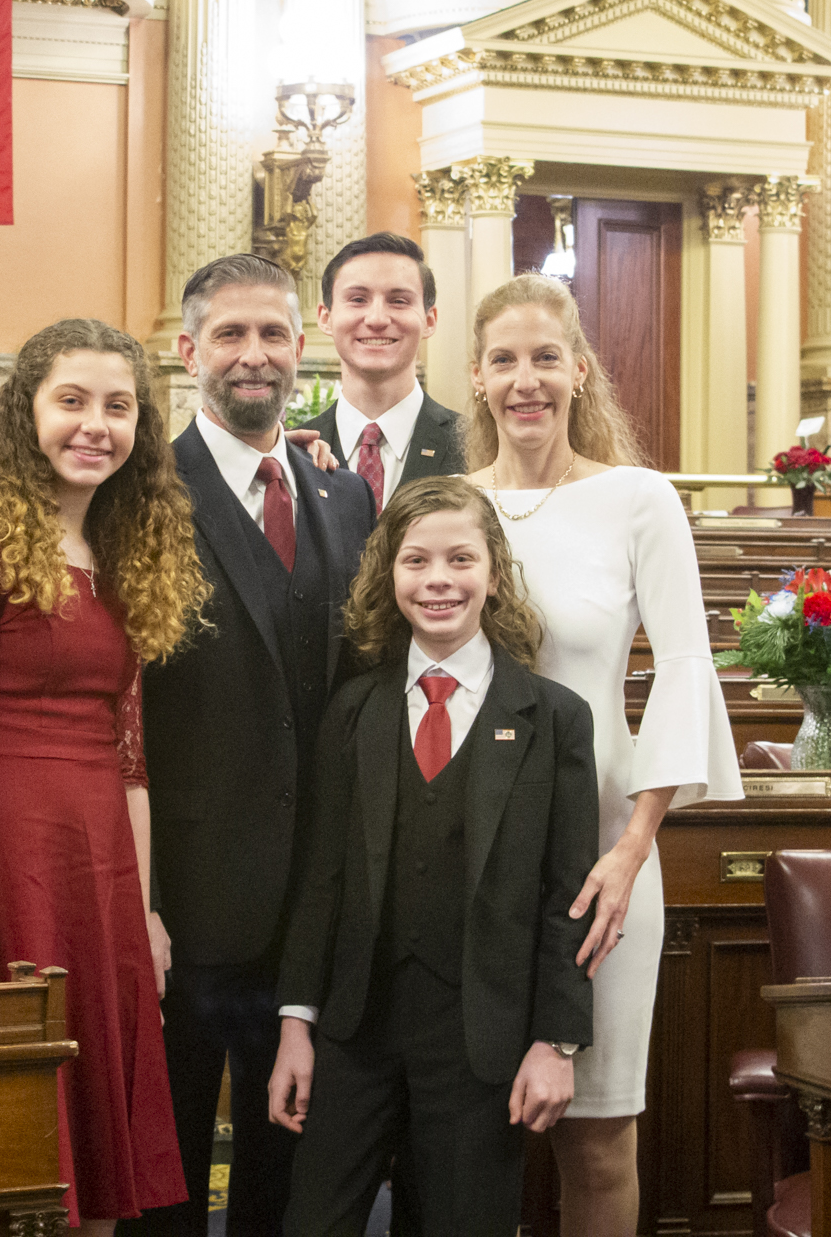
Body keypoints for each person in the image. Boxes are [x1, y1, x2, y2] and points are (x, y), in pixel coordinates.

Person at [0, 319, 208, 1231]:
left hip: (101, 879)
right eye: (71, 401)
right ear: (24, 412)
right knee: (9, 1168)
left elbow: (131, 759)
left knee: (100, 1168)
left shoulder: (126, 552)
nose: (95, 425)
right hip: (2, 877)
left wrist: (142, 912)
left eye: (119, 407)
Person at [460, 272, 739, 1234]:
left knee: (597, 1131)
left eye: (545, 358)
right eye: (505, 360)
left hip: (601, 849)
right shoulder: (447, 506)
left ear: (579, 371)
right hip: (469, 849)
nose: (525, 379)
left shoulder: (638, 499)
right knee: (464, 1123)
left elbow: (685, 666)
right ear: (478, 378)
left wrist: (634, 845)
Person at [267, 476, 598, 1237]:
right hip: (356, 1030)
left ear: (493, 571)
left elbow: (565, 897)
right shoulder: (354, 710)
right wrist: (295, 1024)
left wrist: (556, 1041)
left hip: (480, 1040)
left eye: (460, 559)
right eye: (416, 561)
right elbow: (322, 878)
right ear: (390, 574)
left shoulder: (552, 720)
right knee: (313, 1222)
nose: (438, 580)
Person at [132, 253, 379, 1237]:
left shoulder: (341, 498)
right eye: (230, 335)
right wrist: (139, 898)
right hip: (188, 900)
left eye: (273, 334)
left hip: (312, 905)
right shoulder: (141, 494)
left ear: (300, 348)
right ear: (188, 349)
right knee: (173, 1177)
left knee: (290, 1170)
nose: (254, 355)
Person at [308, 233, 467, 510]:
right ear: (326, 318)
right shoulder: (293, 453)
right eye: (358, 299)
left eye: (399, 301)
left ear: (429, 320)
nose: (377, 319)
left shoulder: (474, 445)